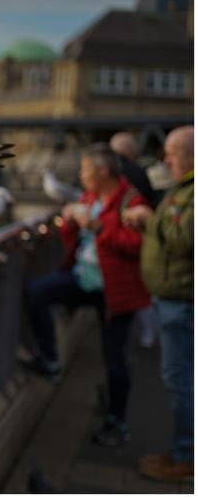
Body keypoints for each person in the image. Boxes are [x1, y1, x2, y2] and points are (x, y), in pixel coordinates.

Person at [22, 143, 150, 446]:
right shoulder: (91, 196)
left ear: (103, 172)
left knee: (114, 358)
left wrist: (96, 225)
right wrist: (71, 221)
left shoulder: (132, 201)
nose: (81, 176)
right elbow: (77, 240)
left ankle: (117, 423)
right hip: (84, 279)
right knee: (36, 294)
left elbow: (136, 247)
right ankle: (50, 359)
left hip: (115, 292)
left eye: (85, 170)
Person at [123, 125, 193, 483]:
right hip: (172, 298)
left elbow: (186, 239)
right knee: (179, 377)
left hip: (182, 300)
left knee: (181, 379)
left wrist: (150, 221)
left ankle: (185, 458)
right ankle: (183, 450)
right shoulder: (182, 189)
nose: (165, 160)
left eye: (172, 153)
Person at [110, 131, 158, 348]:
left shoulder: (111, 173)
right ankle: (148, 332)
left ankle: (139, 333)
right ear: (130, 152)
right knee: (138, 288)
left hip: (118, 240)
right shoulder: (138, 172)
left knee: (128, 291)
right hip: (138, 239)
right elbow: (151, 202)